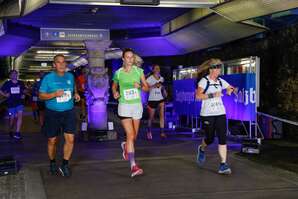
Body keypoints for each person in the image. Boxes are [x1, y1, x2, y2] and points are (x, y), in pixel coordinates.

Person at [39, 54, 80, 177]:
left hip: (69, 112)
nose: (62, 64)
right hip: (52, 113)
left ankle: (65, 164)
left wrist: (76, 94)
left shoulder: (70, 76)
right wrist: (54, 94)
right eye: (59, 62)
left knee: (70, 139)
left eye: (63, 62)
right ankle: (52, 162)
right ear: (54, 65)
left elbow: (73, 88)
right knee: (53, 140)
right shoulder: (48, 78)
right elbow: (41, 95)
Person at [112, 48, 149, 177]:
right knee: (130, 133)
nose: (130, 59)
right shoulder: (118, 73)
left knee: (133, 137)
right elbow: (114, 85)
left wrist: (140, 86)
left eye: (131, 57)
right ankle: (133, 165)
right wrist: (115, 92)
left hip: (136, 106)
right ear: (123, 59)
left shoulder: (139, 71)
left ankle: (125, 145)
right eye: (127, 57)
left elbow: (146, 87)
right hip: (124, 106)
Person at [195, 58, 236, 175]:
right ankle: (201, 148)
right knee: (210, 138)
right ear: (212, 69)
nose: (220, 70)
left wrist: (230, 90)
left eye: (220, 68)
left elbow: (229, 87)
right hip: (207, 114)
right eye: (218, 68)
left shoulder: (220, 81)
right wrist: (213, 95)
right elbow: (198, 96)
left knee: (223, 138)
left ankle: (223, 164)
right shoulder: (204, 81)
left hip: (220, 113)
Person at [0, 70, 26, 139]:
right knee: (12, 118)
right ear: (10, 76)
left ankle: (17, 132)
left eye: (15, 74)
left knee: (20, 116)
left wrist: (23, 94)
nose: (14, 75)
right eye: (13, 74)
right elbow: (0, 90)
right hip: (10, 103)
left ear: (17, 75)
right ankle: (11, 129)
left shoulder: (21, 83)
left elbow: (24, 90)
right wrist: (5, 95)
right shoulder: (7, 83)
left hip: (19, 102)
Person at [146, 64, 167, 140]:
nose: (158, 69)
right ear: (153, 70)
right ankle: (148, 131)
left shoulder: (162, 78)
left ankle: (162, 132)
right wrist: (154, 85)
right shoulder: (149, 79)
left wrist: (164, 91)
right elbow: (146, 89)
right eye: (156, 68)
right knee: (151, 118)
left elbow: (162, 87)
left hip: (161, 99)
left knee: (162, 116)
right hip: (152, 100)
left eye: (159, 68)